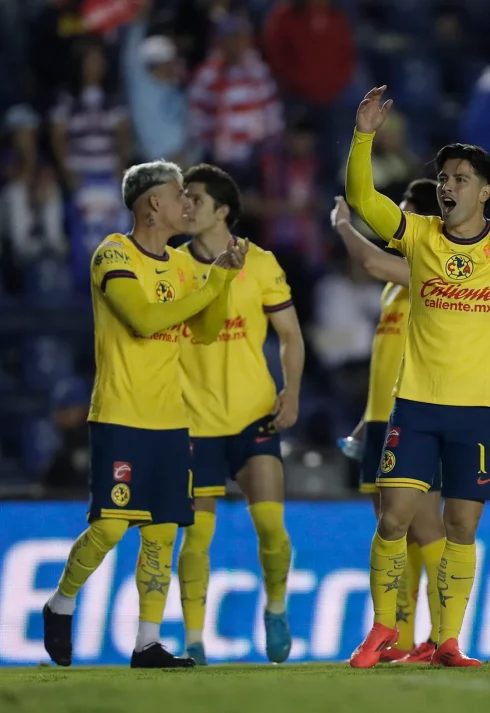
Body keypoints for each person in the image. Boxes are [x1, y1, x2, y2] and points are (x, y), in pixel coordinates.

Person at [343, 86, 490, 668]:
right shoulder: (420, 235)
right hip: (417, 404)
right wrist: (363, 136)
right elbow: (363, 200)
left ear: (485, 191)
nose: (448, 186)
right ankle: (382, 629)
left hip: (478, 407)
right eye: (444, 178)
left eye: (459, 178)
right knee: (393, 517)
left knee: (460, 525)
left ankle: (447, 640)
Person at [41, 160, 247, 668]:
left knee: (161, 533)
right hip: (120, 412)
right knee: (111, 527)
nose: (188, 203)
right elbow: (144, 318)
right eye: (181, 194)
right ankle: (60, 603)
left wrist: (221, 280)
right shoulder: (113, 253)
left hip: (170, 420)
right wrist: (209, 284)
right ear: (153, 202)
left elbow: (203, 331)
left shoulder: (182, 266)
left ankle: (147, 643)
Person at [175, 164, 304, 666]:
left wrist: (291, 392)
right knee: (197, 537)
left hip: (253, 415)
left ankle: (275, 608)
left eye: (196, 199)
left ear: (222, 210)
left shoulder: (261, 262)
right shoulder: (172, 266)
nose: (185, 206)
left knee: (272, 527)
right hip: (193, 422)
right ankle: (192, 642)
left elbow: (291, 335)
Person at [332, 178, 449, 664]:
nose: (396, 221)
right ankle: (401, 637)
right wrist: (366, 420)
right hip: (382, 419)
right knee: (390, 529)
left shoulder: (430, 267)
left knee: (425, 528)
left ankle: (443, 636)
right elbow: (387, 361)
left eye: (404, 211)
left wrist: (343, 224)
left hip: (417, 416)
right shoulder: (391, 290)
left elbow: (368, 258)